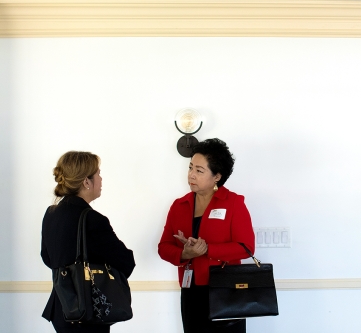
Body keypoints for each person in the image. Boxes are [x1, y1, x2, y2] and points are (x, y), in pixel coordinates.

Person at [158, 138, 255, 333]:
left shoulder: (234, 203)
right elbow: (164, 247)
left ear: (217, 176)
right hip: (191, 291)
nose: (191, 175)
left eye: (199, 171)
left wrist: (207, 249)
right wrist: (185, 254)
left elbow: (246, 247)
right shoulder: (179, 205)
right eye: (190, 167)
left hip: (225, 290)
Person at [41, 151, 135, 333]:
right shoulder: (93, 219)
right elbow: (126, 262)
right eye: (98, 174)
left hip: (61, 306)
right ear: (86, 182)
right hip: (88, 309)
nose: (101, 179)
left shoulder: (51, 214)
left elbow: (47, 258)